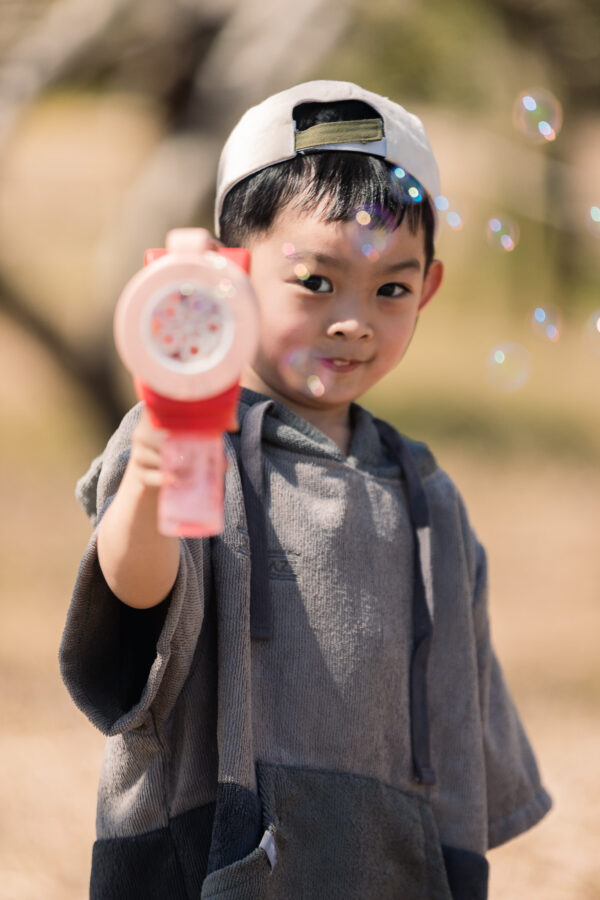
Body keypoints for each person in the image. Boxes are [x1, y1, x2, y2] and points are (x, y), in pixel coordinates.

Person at [60, 81, 551, 900]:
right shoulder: (188, 436)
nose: (354, 320)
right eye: (316, 282)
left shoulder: (426, 494)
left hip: (393, 867)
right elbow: (140, 606)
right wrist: (150, 483)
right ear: (226, 275)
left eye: (391, 288)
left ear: (428, 289)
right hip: (213, 865)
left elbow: (460, 729)